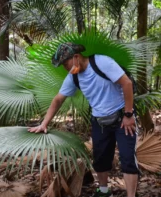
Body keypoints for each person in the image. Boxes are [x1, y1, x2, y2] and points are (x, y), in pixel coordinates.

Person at [28, 42, 139, 197]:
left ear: (76, 57)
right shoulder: (73, 77)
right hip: (99, 121)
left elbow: (126, 83)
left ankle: (131, 195)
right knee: (100, 158)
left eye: (65, 64)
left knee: (127, 158)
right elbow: (58, 99)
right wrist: (44, 124)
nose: (66, 68)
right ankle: (104, 191)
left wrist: (128, 115)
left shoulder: (102, 62)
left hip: (122, 117)